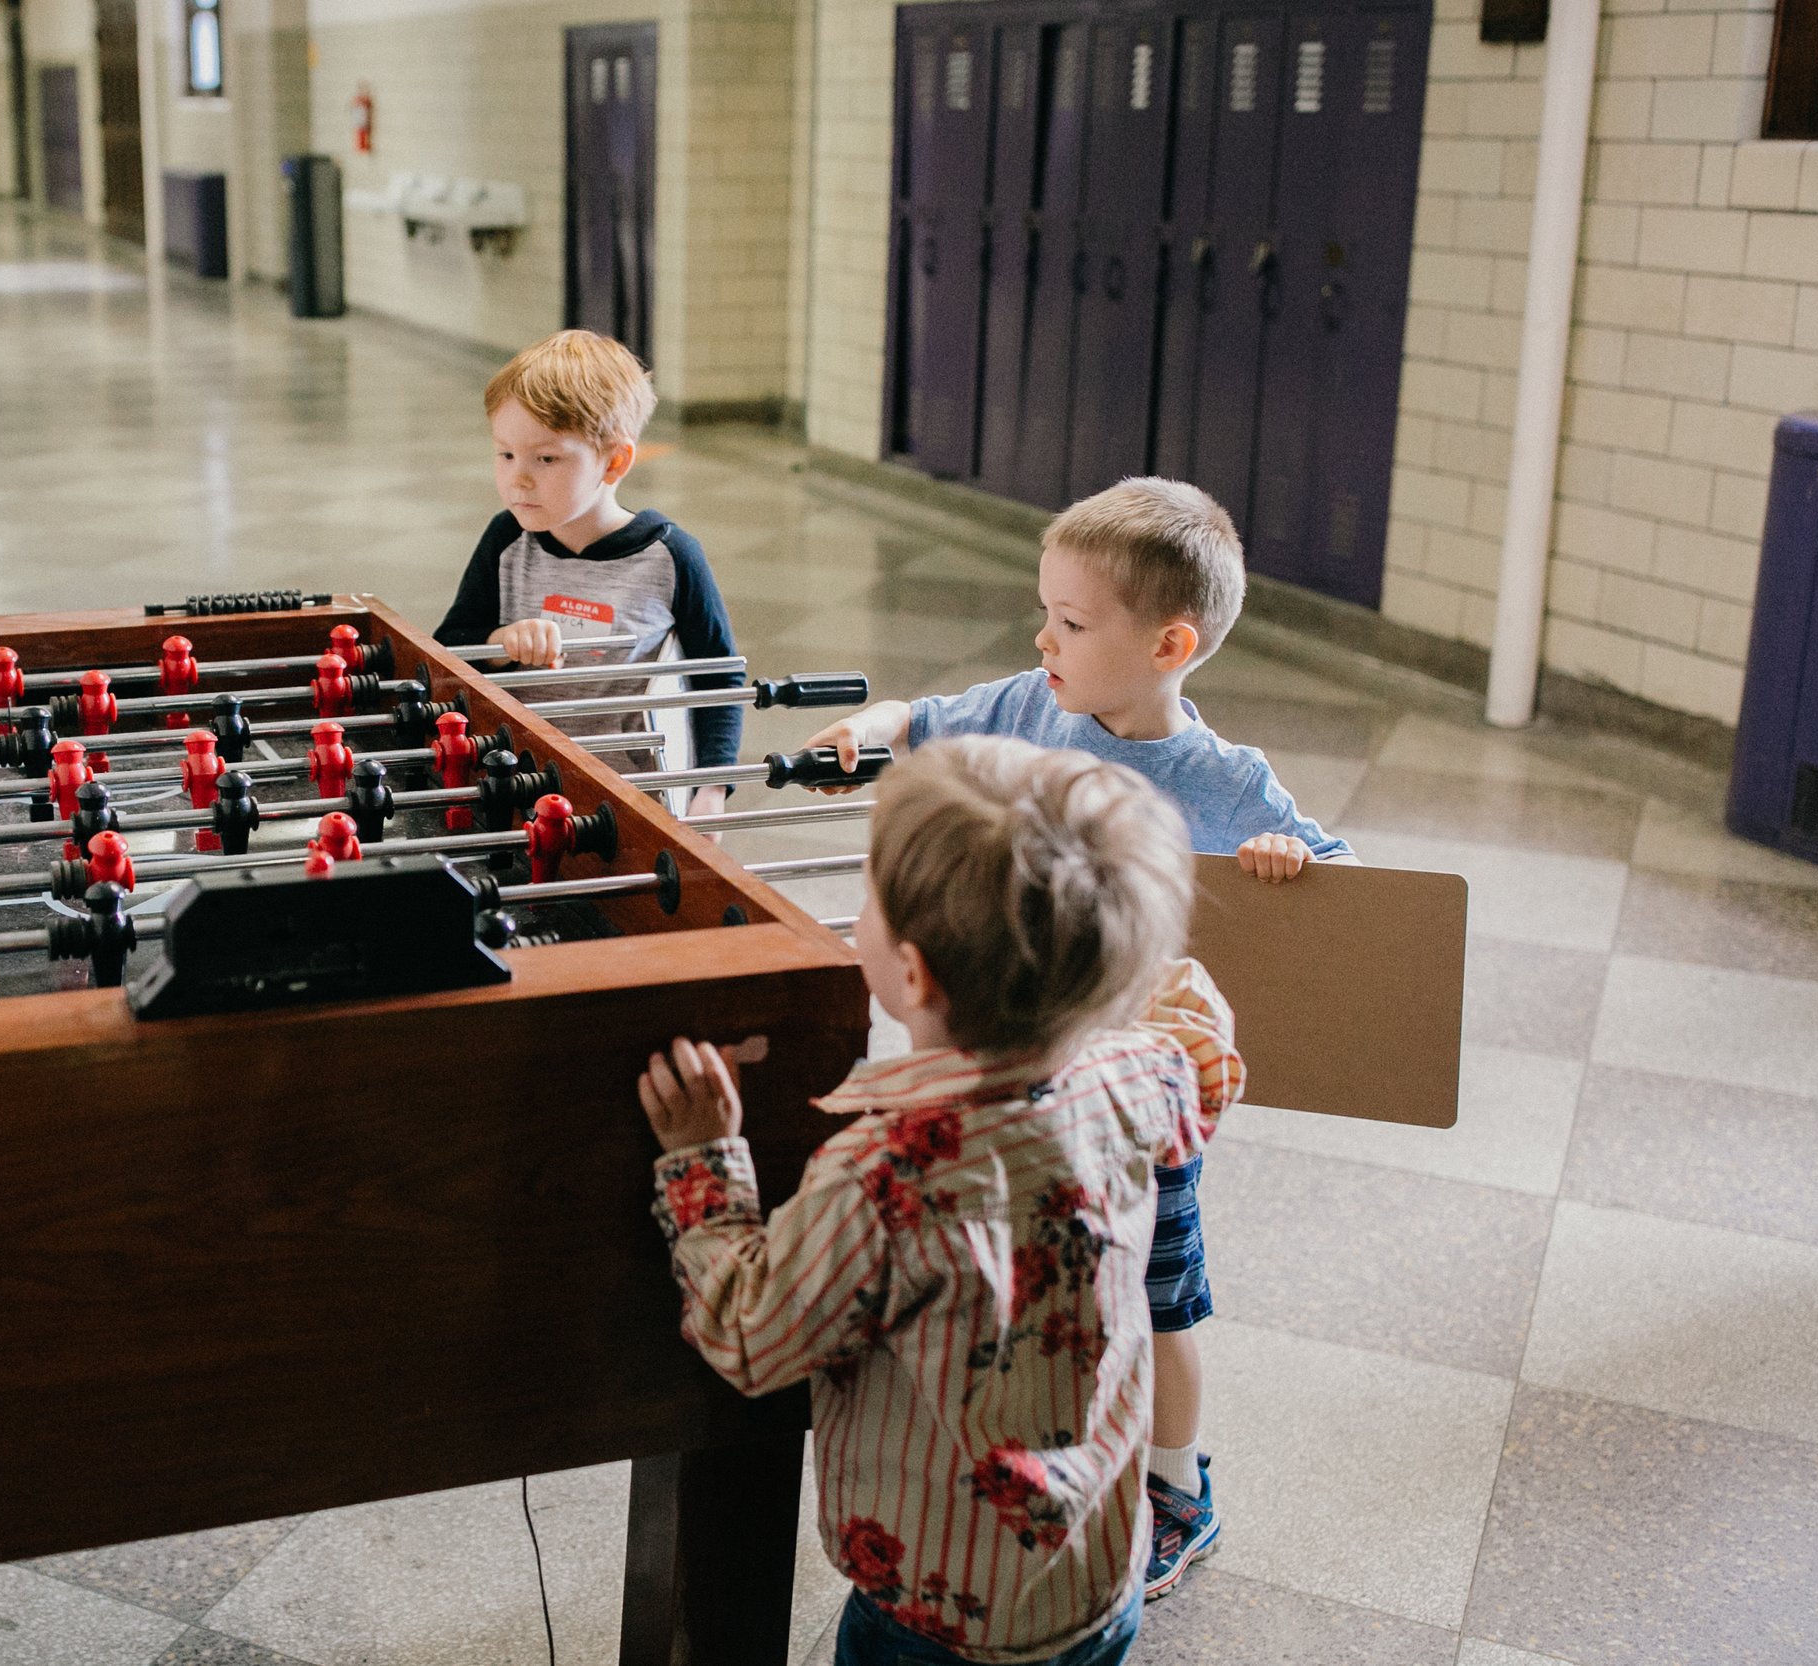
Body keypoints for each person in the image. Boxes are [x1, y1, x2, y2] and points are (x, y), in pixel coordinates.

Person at [805, 476, 1352, 1597]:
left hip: (1142, 1097)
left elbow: (1343, 887)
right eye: (1043, 611)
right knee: (1050, 1285)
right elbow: (921, 718)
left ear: (1170, 642)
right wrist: (866, 731)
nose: (1042, 637)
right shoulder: (1024, 705)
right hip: (1022, 1075)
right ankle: (1049, 1440)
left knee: (1156, 1306)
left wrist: (1295, 865)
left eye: (1071, 621)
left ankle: (1175, 1487)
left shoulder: (1220, 779)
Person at [637, 738, 1243, 1665]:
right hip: (1097, 1583)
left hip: (938, 1619)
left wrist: (703, 1161)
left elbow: (754, 1335)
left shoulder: (883, 1174)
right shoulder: (1134, 1076)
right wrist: (1103, 964)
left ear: (912, 975)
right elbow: (1197, 1035)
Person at [436, 330, 740, 815]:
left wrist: (712, 789)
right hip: (518, 789)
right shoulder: (506, 541)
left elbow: (719, 679)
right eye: (506, 454)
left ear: (614, 461)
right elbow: (449, 650)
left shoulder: (673, 557)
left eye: (546, 458)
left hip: (632, 803)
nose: (519, 477)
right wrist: (500, 642)